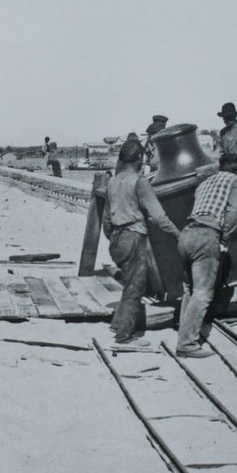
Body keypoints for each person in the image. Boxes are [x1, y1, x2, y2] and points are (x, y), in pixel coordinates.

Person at [102, 141, 181, 346]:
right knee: (136, 287)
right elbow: (158, 217)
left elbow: (106, 221)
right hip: (133, 236)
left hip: (117, 239)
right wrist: (178, 234)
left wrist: (114, 238)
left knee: (128, 283)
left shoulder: (112, 182)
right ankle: (124, 336)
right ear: (139, 159)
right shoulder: (139, 182)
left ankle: (117, 323)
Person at [176, 153, 237, 358]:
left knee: (189, 289)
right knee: (203, 292)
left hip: (186, 233)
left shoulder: (205, 183)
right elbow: (234, 213)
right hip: (207, 236)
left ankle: (184, 333)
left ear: (220, 166)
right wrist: (224, 239)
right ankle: (187, 344)